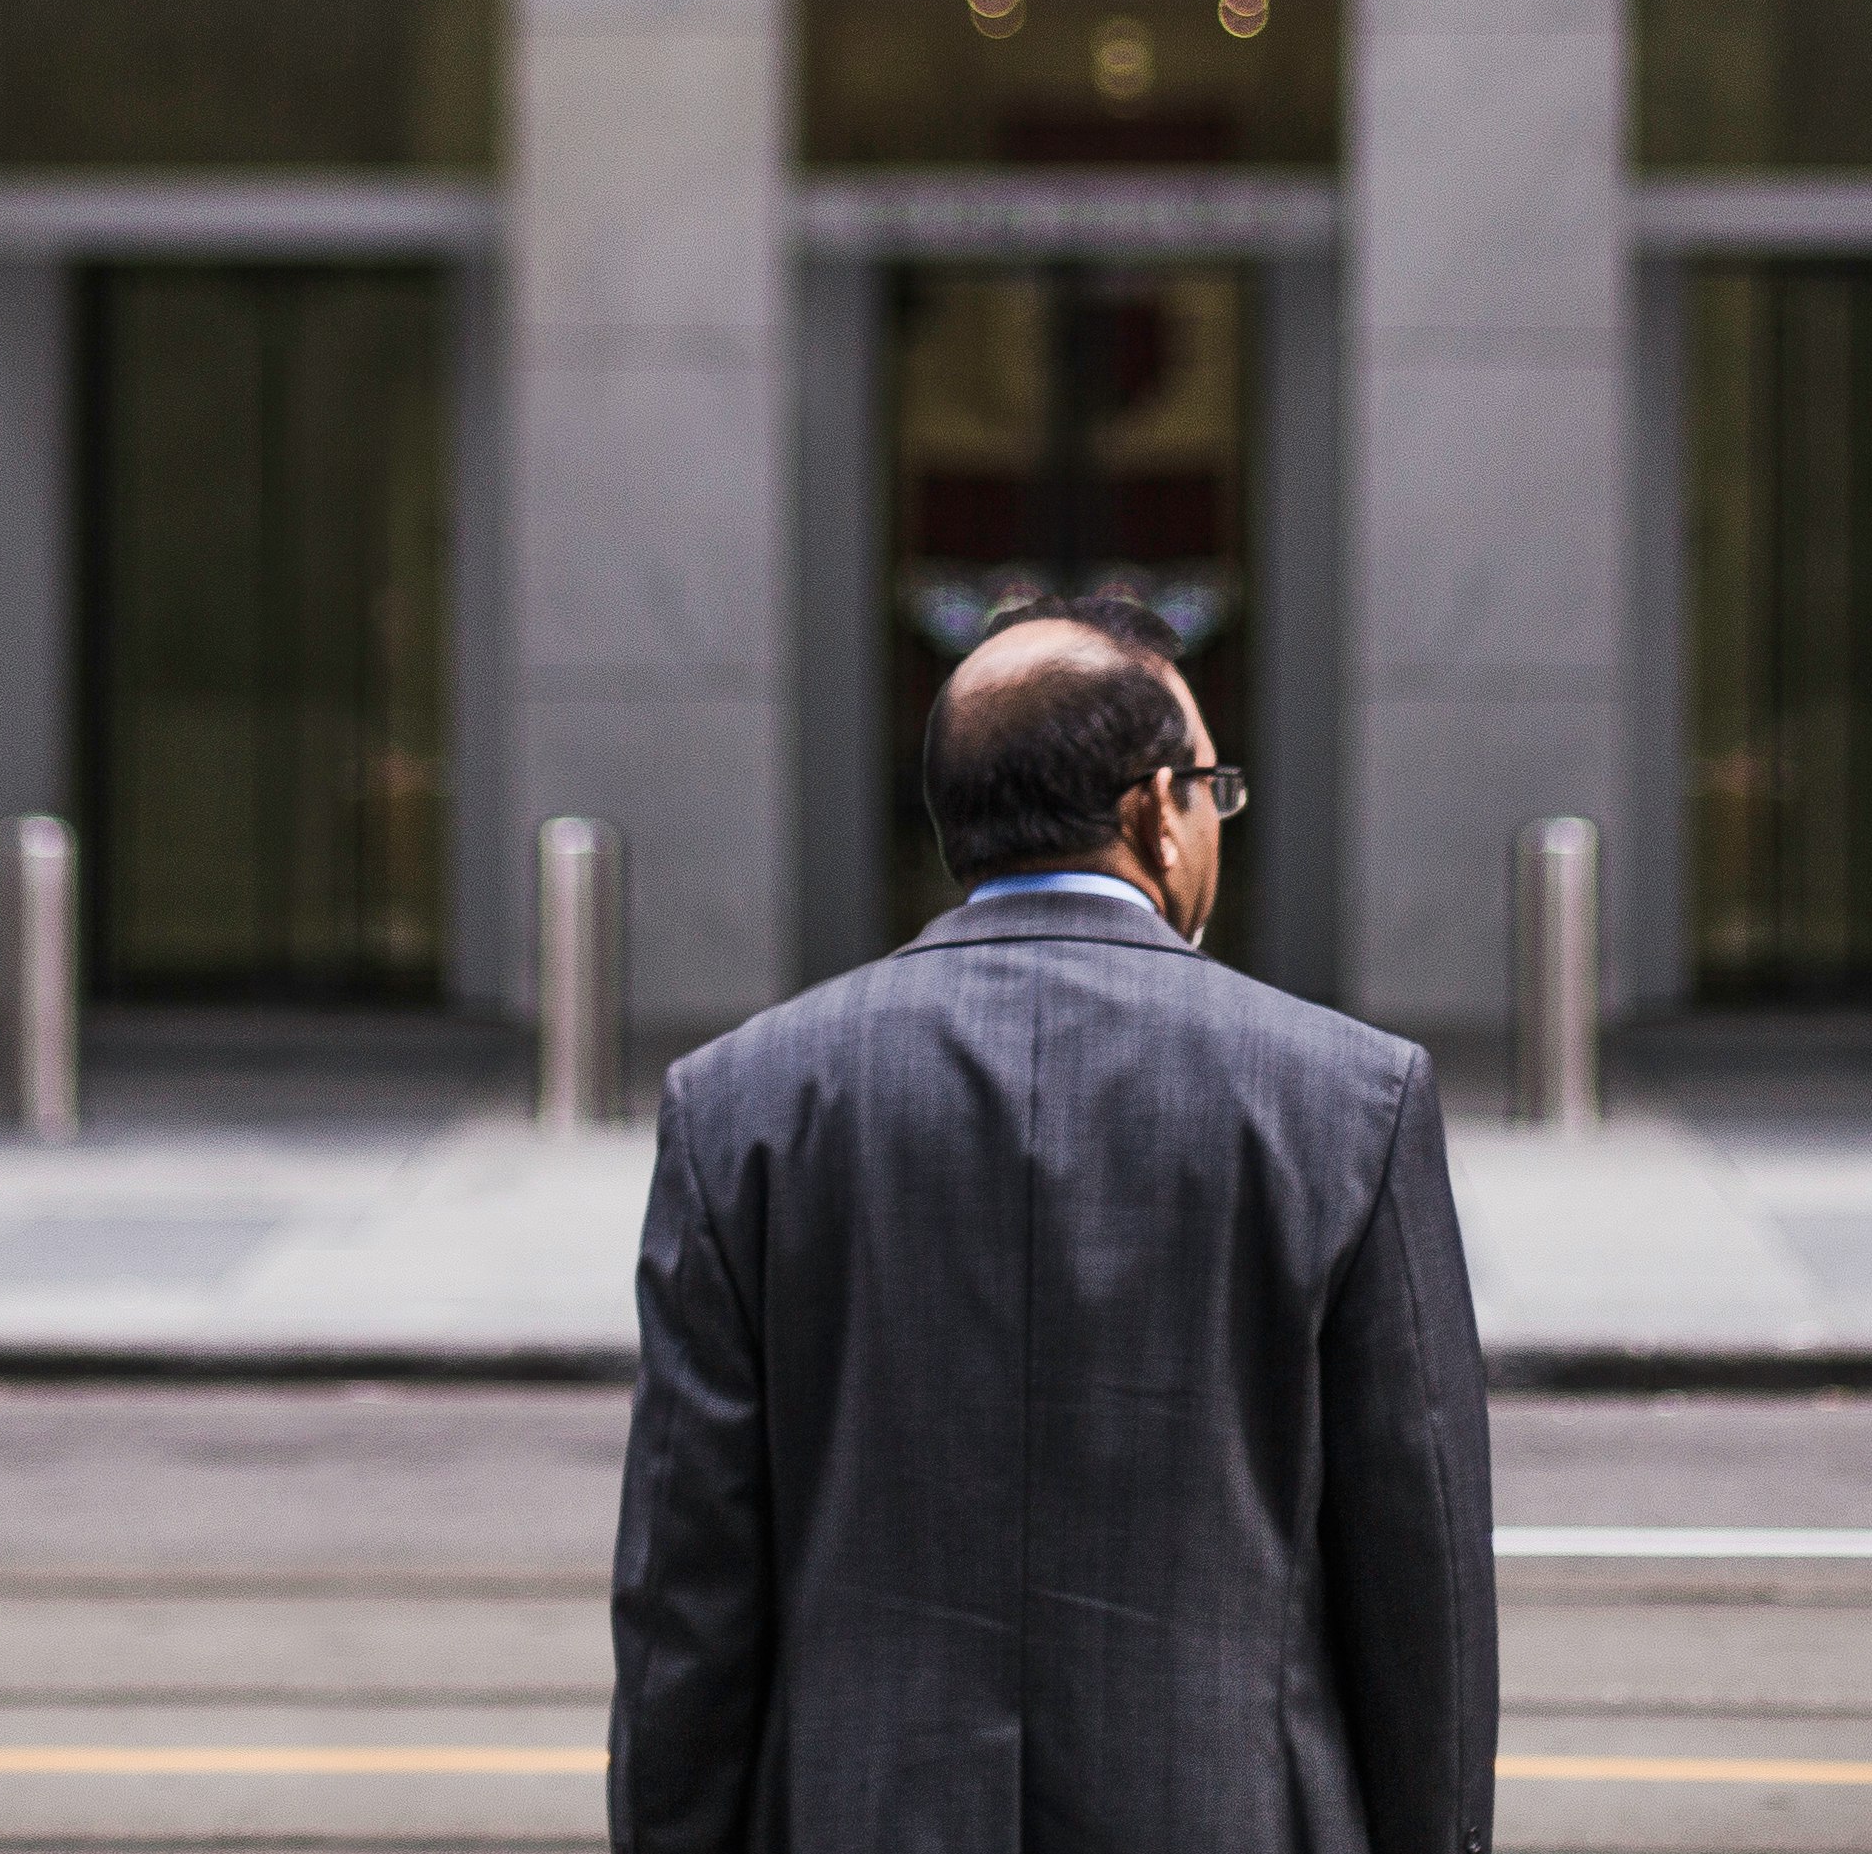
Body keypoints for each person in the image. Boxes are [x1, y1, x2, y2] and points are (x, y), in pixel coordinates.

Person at [607, 594, 1495, 1854]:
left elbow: (684, 1598)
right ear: (1151, 811)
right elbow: (1423, 1592)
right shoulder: (1347, 1098)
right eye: (1212, 789)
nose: (1214, 822)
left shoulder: (742, 1102)